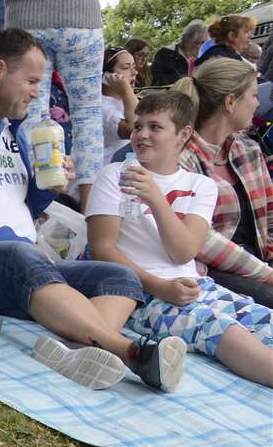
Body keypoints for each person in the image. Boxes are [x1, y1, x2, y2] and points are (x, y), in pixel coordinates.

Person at [0, 28, 185, 393]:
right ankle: (129, 352)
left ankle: (77, 352)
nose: (36, 91)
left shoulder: (11, 133)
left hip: (21, 262)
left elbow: (22, 206)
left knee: (119, 277)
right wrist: (12, 241)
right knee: (18, 255)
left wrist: (49, 190)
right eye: (31, 80)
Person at [87, 90, 272, 386]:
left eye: (155, 127)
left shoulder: (200, 185)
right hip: (140, 293)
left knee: (263, 319)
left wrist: (156, 200)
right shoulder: (115, 175)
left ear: (183, 134)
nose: (142, 135)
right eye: (138, 126)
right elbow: (102, 249)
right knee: (220, 328)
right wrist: (161, 287)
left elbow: (183, 253)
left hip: (194, 286)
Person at [0, 0, 128, 207]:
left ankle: (42, 207)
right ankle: (90, 212)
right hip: (78, 14)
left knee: (32, 114)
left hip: (24, 18)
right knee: (87, 116)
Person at [175, 58, 273, 307]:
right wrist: (266, 273)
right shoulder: (179, 160)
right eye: (253, 95)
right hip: (211, 272)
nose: (258, 103)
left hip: (259, 264)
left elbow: (270, 217)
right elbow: (201, 242)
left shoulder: (248, 150)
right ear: (230, 102)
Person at [101, 46, 138, 165]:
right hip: (110, 168)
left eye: (134, 67)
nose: (134, 72)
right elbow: (135, 131)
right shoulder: (102, 106)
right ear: (106, 76)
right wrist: (127, 92)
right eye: (126, 67)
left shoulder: (124, 101)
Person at [151, 20, 208, 88]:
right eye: (198, 43)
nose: (201, 47)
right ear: (186, 40)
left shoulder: (204, 56)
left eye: (204, 43)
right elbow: (157, 80)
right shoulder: (165, 54)